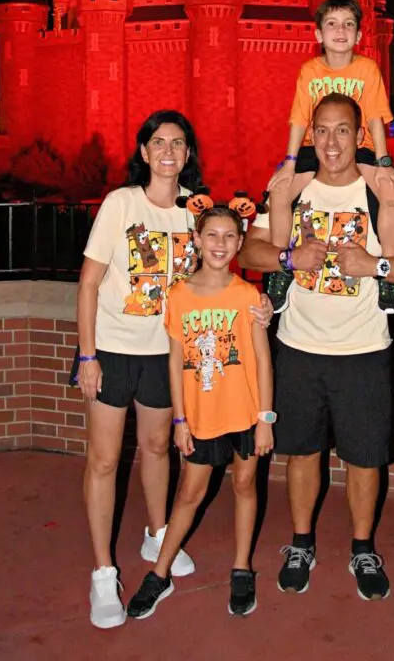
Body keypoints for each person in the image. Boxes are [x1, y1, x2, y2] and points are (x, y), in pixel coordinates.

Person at [73, 110, 272, 629]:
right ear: (143, 152)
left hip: (167, 353)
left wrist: (263, 305)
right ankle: (102, 573)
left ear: (188, 155)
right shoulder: (122, 204)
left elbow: (231, 250)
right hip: (114, 349)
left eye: (177, 144)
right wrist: (88, 355)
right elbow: (89, 282)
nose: (167, 152)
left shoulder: (193, 212)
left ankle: (158, 533)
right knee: (103, 461)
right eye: (157, 142)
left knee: (158, 448)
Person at [239, 93, 394, 602]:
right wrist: (290, 256)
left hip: (365, 350)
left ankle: (362, 547)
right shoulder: (291, 188)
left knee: (365, 458)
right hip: (298, 349)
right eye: (322, 131)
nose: (331, 142)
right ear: (311, 137)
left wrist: (376, 266)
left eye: (343, 131)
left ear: (360, 137)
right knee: (302, 453)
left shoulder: (380, 193)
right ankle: (302, 543)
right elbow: (250, 251)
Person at [127, 203, 275, 620]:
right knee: (190, 494)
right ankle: (160, 573)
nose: (220, 244)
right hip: (201, 416)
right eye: (212, 235)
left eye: (230, 236)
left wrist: (265, 419)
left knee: (245, 487)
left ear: (240, 243)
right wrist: (179, 419)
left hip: (245, 415)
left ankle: (242, 566)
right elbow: (174, 361)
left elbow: (263, 361)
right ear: (196, 239)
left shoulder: (248, 296)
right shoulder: (179, 295)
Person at [267, 0, 394, 314]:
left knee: (389, 192)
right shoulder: (309, 71)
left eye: (348, 24)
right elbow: (299, 118)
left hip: (361, 148)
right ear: (318, 34)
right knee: (279, 192)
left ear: (358, 36)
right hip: (317, 148)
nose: (340, 30)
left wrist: (383, 162)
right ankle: (281, 270)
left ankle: (388, 272)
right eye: (331, 24)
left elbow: (375, 116)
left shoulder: (368, 68)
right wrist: (289, 163)